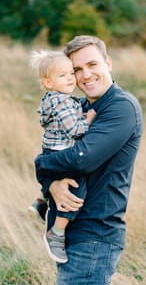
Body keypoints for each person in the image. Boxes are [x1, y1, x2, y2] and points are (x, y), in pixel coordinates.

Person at [35, 35, 144, 285]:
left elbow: (82, 158)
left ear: (108, 63)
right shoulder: (80, 106)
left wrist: (40, 165)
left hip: (95, 236)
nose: (85, 75)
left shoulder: (121, 108)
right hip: (72, 233)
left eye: (92, 64)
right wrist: (52, 184)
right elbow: (59, 153)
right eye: (77, 70)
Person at [28, 50, 96, 263]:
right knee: (77, 189)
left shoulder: (53, 99)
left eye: (70, 73)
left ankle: (41, 202)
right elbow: (75, 130)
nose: (70, 79)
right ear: (47, 82)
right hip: (62, 152)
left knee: (61, 183)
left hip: (52, 151)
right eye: (62, 76)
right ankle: (56, 234)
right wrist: (90, 119)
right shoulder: (62, 102)